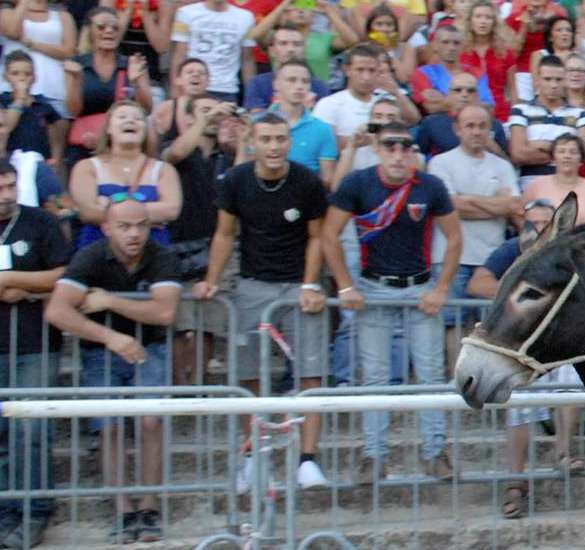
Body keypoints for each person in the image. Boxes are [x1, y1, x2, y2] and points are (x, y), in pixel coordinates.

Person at [196, 112, 333, 490]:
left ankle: (307, 460)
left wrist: (310, 285)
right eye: (266, 139)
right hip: (252, 285)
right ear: (253, 142)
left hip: (297, 287)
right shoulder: (237, 180)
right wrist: (210, 280)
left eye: (280, 139)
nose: (274, 146)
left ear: (289, 142)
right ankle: (253, 456)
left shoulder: (306, 182)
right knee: (248, 377)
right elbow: (224, 234)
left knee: (311, 373)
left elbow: (317, 238)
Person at [320, 121, 462, 483]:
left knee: (431, 375)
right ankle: (373, 455)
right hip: (374, 288)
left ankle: (435, 452)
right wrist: (345, 286)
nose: (398, 154)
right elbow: (329, 236)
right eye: (390, 146)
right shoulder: (358, 183)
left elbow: (454, 237)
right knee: (376, 379)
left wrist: (441, 288)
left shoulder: (429, 186)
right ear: (378, 149)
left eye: (405, 147)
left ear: (413, 150)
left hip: (419, 287)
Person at [44, 198, 180, 544]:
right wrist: (112, 337)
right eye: (124, 226)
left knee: (151, 421)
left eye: (141, 225)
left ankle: (148, 506)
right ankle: (123, 509)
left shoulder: (161, 256)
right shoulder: (90, 255)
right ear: (106, 229)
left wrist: (110, 301)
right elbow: (58, 311)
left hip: (152, 347)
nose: (134, 233)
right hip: (100, 351)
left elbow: (165, 313)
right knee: (110, 429)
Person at [465, 200, 585, 518]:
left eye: (548, 223)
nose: (542, 231)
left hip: (557, 344)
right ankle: (516, 484)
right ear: (524, 228)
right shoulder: (510, 251)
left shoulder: (566, 254)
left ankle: (564, 451)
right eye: (535, 224)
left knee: (571, 381)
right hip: (518, 344)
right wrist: (518, 296)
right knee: (519, 406)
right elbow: (476, 282)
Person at [0, 163, 69, 549]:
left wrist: (11, 280)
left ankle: (34, 510)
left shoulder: (40, 222)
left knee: (31, 429)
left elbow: (63, 273)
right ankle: (4, 511)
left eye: (11, 185)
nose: (8, 194)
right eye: (0, 188)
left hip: (34, 344)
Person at [427, 102, 517, 365]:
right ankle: (457, 384)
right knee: (453, 325)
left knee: (490, 327)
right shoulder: (440, 163)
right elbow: (450, 206)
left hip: (491, 261)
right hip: (450, 258)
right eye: (470, 126)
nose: (476, 131)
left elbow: (512, 206)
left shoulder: (502, 166)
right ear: (457, 129)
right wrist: (493, 204)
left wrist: (466, 201)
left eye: (482, 126)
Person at [161, 93, 240, 386]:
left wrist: (242, 139)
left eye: (217, 111)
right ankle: (178, 388)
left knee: (208, 325)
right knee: (181, 326)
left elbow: (241, 177)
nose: (215, 115)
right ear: (192, 117)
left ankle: (198, 386)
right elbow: (174, 155)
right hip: (180, 245)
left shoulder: (227, 156)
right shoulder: (178, 149)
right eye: (205, 111)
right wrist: (207, 118)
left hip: (217, 247)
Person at [70, 101, 180, 247]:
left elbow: (171, 210)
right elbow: (88, 212)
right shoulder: (86, 167)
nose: (130, 120)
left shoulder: (163, 169)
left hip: (152, 252)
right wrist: (147, 217)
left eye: (138, 118)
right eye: (122, 117)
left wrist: (108, 206)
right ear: (109, 127)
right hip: (99, 252)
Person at [68, 7, 157, 163]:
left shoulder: (132, 63)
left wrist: (135, 81)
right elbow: (74, 110)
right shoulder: (77, 64)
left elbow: (147, 109)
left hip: (122, 143)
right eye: (101, 27)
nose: (109, 31)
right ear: (90, 31)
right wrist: (75, 79)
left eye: (115, 28)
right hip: (85, 143)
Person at [508, 54, 585, 185]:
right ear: (537, 80)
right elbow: (518, 154)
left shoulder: (580, 113)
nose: (553, 85)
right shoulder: (520, 110)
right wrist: (565, 153)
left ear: (565, 80)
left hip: (567, 186)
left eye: (558, 79)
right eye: (547, 79)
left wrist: (539, 144)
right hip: (531, 187)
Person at [313, 44, 421, 144]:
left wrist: (396, 92)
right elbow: (326, 143)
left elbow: (413, 120)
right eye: (360, 70)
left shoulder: (387, 100)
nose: (366, 77)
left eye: (372, 70)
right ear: (347, 70)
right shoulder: (329, 104)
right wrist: (370, 140)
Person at [264, 60, 340, 179]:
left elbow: (327, 180)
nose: (299, 86)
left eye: (305, 81)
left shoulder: (322, 129)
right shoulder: (258, 124)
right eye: (292, 80)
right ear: (276, 84)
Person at [0, 0, 74, 121]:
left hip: (53, 89)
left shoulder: (63, 16)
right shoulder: (7, 12)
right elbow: (12, 32)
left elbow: (69, 51)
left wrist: (33, 44)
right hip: (11, 90)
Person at [168, 0, 254, 99]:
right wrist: (175, 89)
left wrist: (251, 96)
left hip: (227, 89)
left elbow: (247, 59)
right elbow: (179, 55)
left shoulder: (246, 17)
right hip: (192, 87)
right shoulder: (186, 13)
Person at [412, 72, 510, 158]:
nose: (464, 95)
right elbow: (417, 157)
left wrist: (492, 146)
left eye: (470, 91)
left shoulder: (494, 125)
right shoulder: (432, 123)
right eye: (458, 90)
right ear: (448, 95)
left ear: (477, 96)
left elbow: (507, 163)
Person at [411, 25, 497, 115]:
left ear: (463, 46)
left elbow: (489, 108)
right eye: (445, 42)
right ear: (436, 45)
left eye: (456, 43)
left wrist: (445, 101)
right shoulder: (423, 73)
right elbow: (431, 107)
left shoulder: (477, 73)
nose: (451, 47)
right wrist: (471, 102)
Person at [244, 25, 332, 112]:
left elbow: (324, 119)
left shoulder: (319, 87)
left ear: (304, 50)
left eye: (297, 44)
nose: (291, 49)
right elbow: (255, 119)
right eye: (283, 43)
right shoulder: (258, 84)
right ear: (272, 51)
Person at [0, 52, 64, 160]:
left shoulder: (42, 104)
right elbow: (6, 126)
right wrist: (19, 99)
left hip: (38, 159)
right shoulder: (3, 101)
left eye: (27, 74)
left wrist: (55, 158)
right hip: (10, 159)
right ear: (6, 77)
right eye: (15, 74)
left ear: (34, 78)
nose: (22, 78)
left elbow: (54, 135)